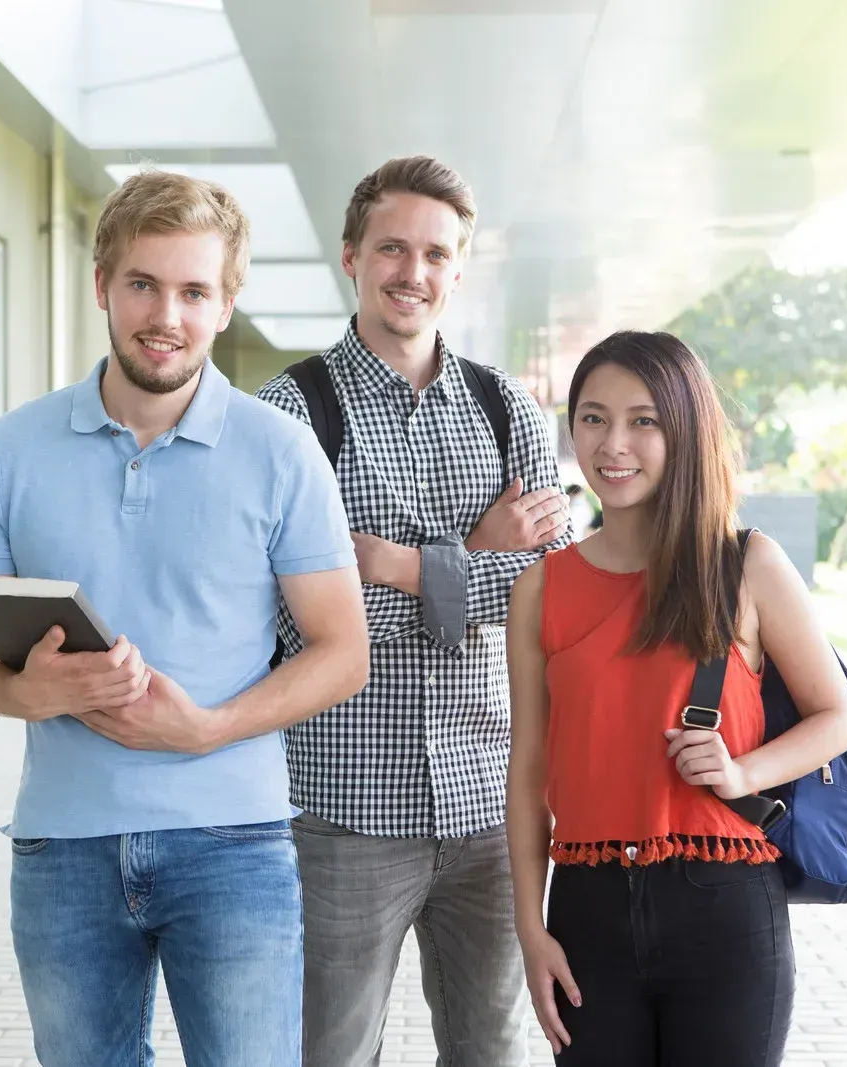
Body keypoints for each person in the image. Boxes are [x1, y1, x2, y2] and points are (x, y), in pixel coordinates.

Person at [0, 169, 370, 1067]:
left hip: (235, 844)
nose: (164, 315)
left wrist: (206, 727)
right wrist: (33, 690)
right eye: (142, 283)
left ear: (224, 303)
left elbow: (341, 652)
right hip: (62, 845)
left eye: (192, 291)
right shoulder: (10, 450)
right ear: (102, 284)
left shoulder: (281, 452)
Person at [257, 156, 569, 1066]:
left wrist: (388, 564)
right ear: (351, 256)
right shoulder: (292, 414)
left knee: (494, 1052)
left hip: (490, 809)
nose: (413, 271)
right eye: (392, 247)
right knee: (331, 1053)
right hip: (344, 813)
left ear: (459, 270)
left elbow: (544, 599)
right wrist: (477, 556)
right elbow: (295, 623)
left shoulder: (507, 408)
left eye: (437, 253)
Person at [504, 331, 847, 1066]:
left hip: (726, 910)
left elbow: (838, 716)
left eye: (645, 420)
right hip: (587, 911)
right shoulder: (540, 587)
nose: (613, 443)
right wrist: (529, 925)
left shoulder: (746, 564)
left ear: (686, 429)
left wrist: (741, 774)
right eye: (594, 417)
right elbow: (529, 766)